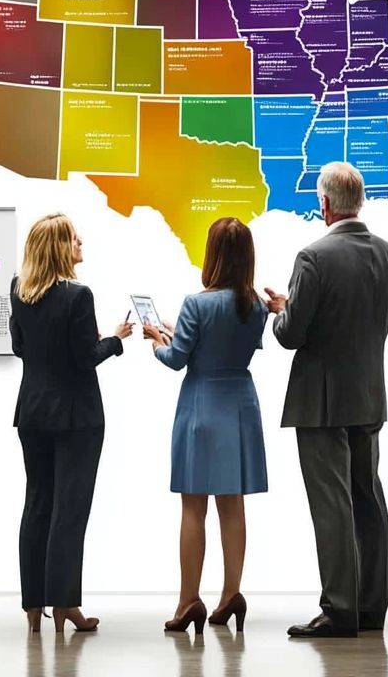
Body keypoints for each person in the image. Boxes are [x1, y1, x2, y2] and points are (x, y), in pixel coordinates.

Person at [264, 162, 388, 638]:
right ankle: (370, 607)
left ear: (325, 204)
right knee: (368, 501)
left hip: (321, 402)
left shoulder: (313, 258)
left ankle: (340, 609)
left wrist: (281, 311)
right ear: (358, 201)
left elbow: (292, 335)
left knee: (332, 506)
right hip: (369, 395)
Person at [142, 217, 270, 634]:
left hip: (201, 405)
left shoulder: (196, 303)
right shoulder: (259, 306)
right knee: (232, 504)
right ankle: (231, 593)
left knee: (193, 506)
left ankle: (187, 601)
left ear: (212, 255)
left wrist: (159, 340)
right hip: (240, 404)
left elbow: (178, 359)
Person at [9, 213, 133, 634]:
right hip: (77, 416)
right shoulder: (79, 296)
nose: (82, 243)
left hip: (33, 411)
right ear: (61, 247)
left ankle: (33, 609)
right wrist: (115, 341)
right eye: (76, 239)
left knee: (38, 504)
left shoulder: (18, 291)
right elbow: (85, 358)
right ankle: (64, 606)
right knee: (70, 510)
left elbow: (19, 346)